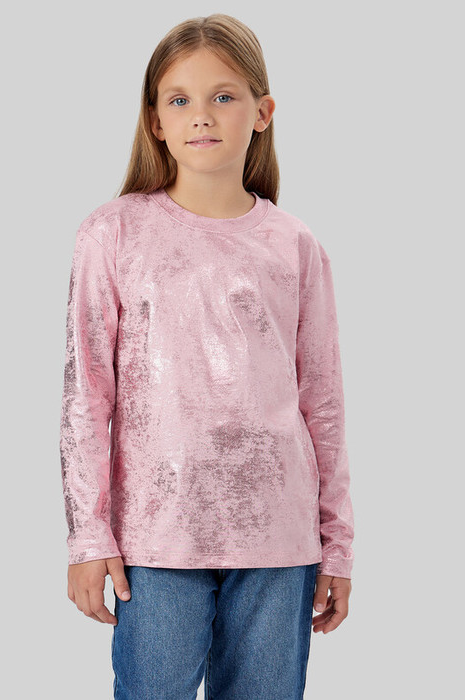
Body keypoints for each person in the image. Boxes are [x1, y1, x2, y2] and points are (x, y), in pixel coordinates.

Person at [59, 13, 355, 700]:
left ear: (262, 112)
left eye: (223, 96)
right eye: (179, 98)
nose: (201, 114)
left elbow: (323, 404)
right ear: (155, 120)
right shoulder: (113, 233)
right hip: (156, 539)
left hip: (280, 541)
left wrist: (336, 543)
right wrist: (88, 537)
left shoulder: (294, 245)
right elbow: (86, 396)